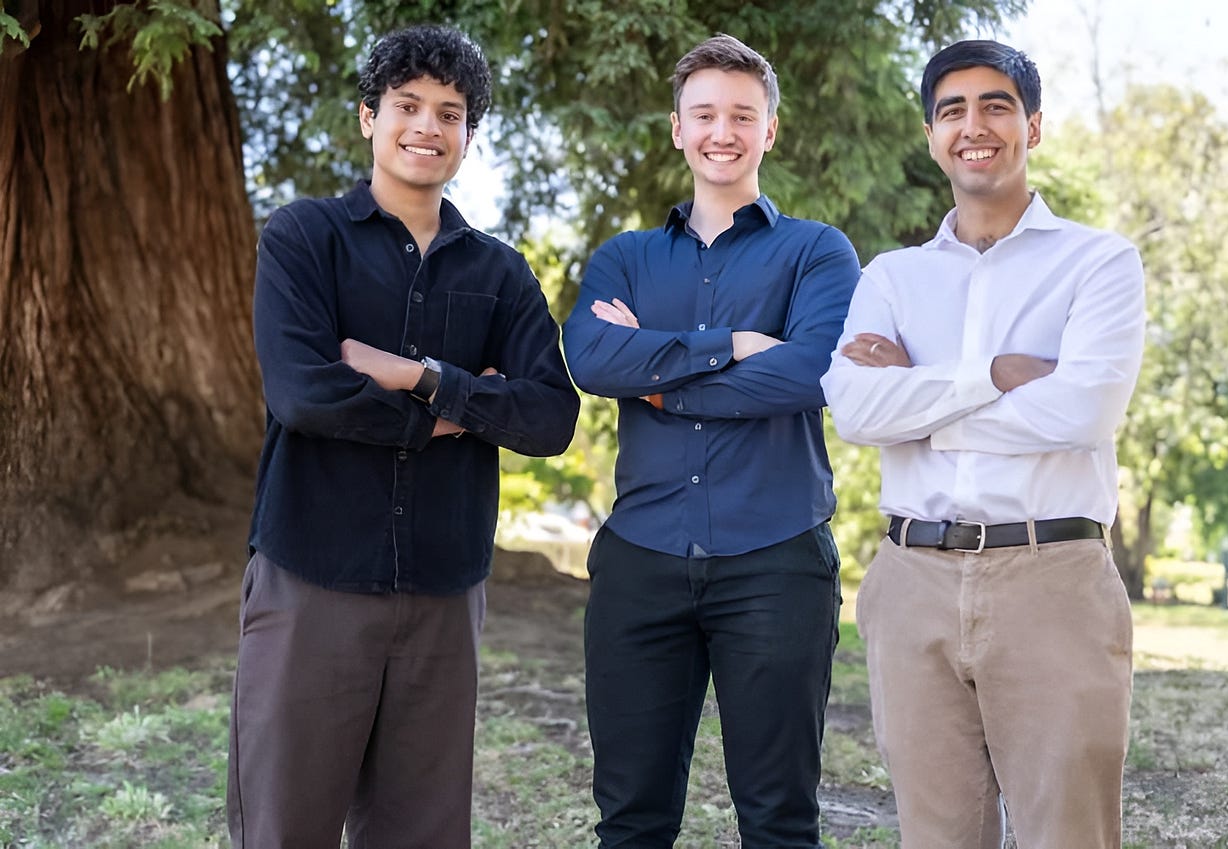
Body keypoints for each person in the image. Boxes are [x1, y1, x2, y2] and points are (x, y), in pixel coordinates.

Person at [227, 24, 579, 848]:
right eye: (408, 105)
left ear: (468, 135)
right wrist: (466, 408)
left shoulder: (501, 273)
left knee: (421, 832)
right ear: (367, 117)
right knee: (284, 824)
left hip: (443, 589)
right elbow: (305, 393)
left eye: (450, 112)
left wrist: (414, 375)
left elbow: (551, 417)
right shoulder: (302, 239)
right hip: (312, 573)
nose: (427, 126)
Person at [821, 40, 1145, 849]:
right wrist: (998, 372)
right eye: (952, 109)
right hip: (911, 581)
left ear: (1032, 127)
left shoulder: (1098, 262)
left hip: (1054, 580)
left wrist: (920, 396)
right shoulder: (893, 277)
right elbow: (856, 410)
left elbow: (1081, 412)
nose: (975, 125)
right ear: (932, 134)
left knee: (1067, 831)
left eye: (996, 105)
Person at [562, 33, 861, 848]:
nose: (721, 131)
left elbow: (810, 375)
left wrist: (651, 370)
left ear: (770, 130)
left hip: (776, 561)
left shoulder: (817, 251)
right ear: (676, 128)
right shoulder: (624, 258)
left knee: (778, 819)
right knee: (630, 821)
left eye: (741, 115)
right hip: (640, 560)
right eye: (704, 114)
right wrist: (732, 344)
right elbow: (590, 358)